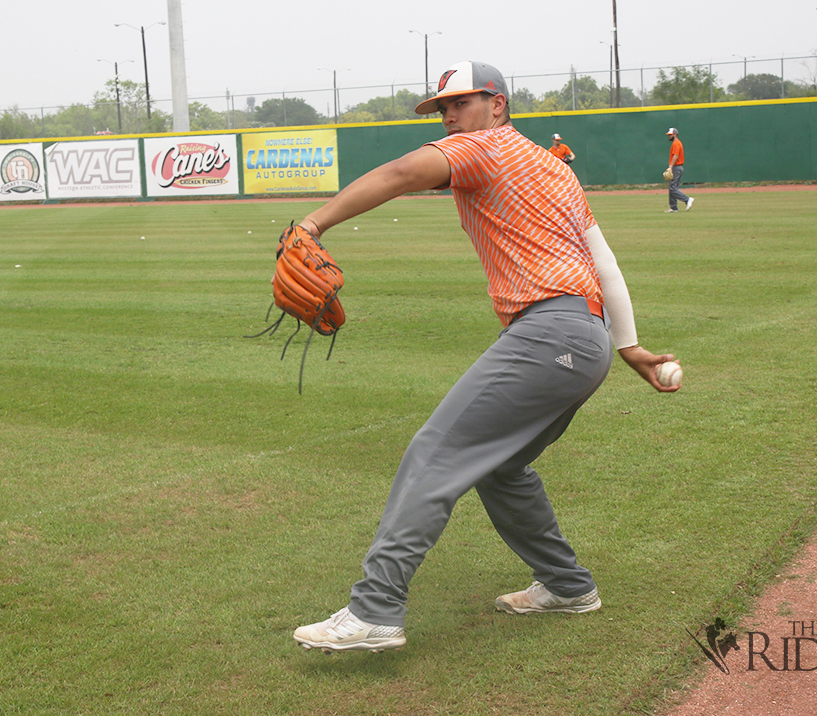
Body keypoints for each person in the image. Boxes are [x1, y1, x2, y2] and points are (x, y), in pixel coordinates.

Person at [291, 60, 679, 653]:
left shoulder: (484, 146)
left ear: (497, 106)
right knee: (500, 467)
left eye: (462, 103)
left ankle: (374, 612)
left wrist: (313, 224)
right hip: (583, 338)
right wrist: (627, 348)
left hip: (549, 334)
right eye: (443, 109)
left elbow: (400, 172)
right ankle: (567, 586)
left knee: (436, 452)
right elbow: (603, 262)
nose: (450, 117)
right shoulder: (554, 168)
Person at [665, 128, 693, 213]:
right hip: (676, 167)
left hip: (677, 167)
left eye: (670, 135)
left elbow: (676, 156)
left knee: (673, 188)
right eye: (669, 135)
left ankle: (687, 199)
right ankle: (674, 208)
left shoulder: (676, 143)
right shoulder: (675, 143)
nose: (669, 136)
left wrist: (670, 166)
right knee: (672, 187)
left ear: (675, 134)